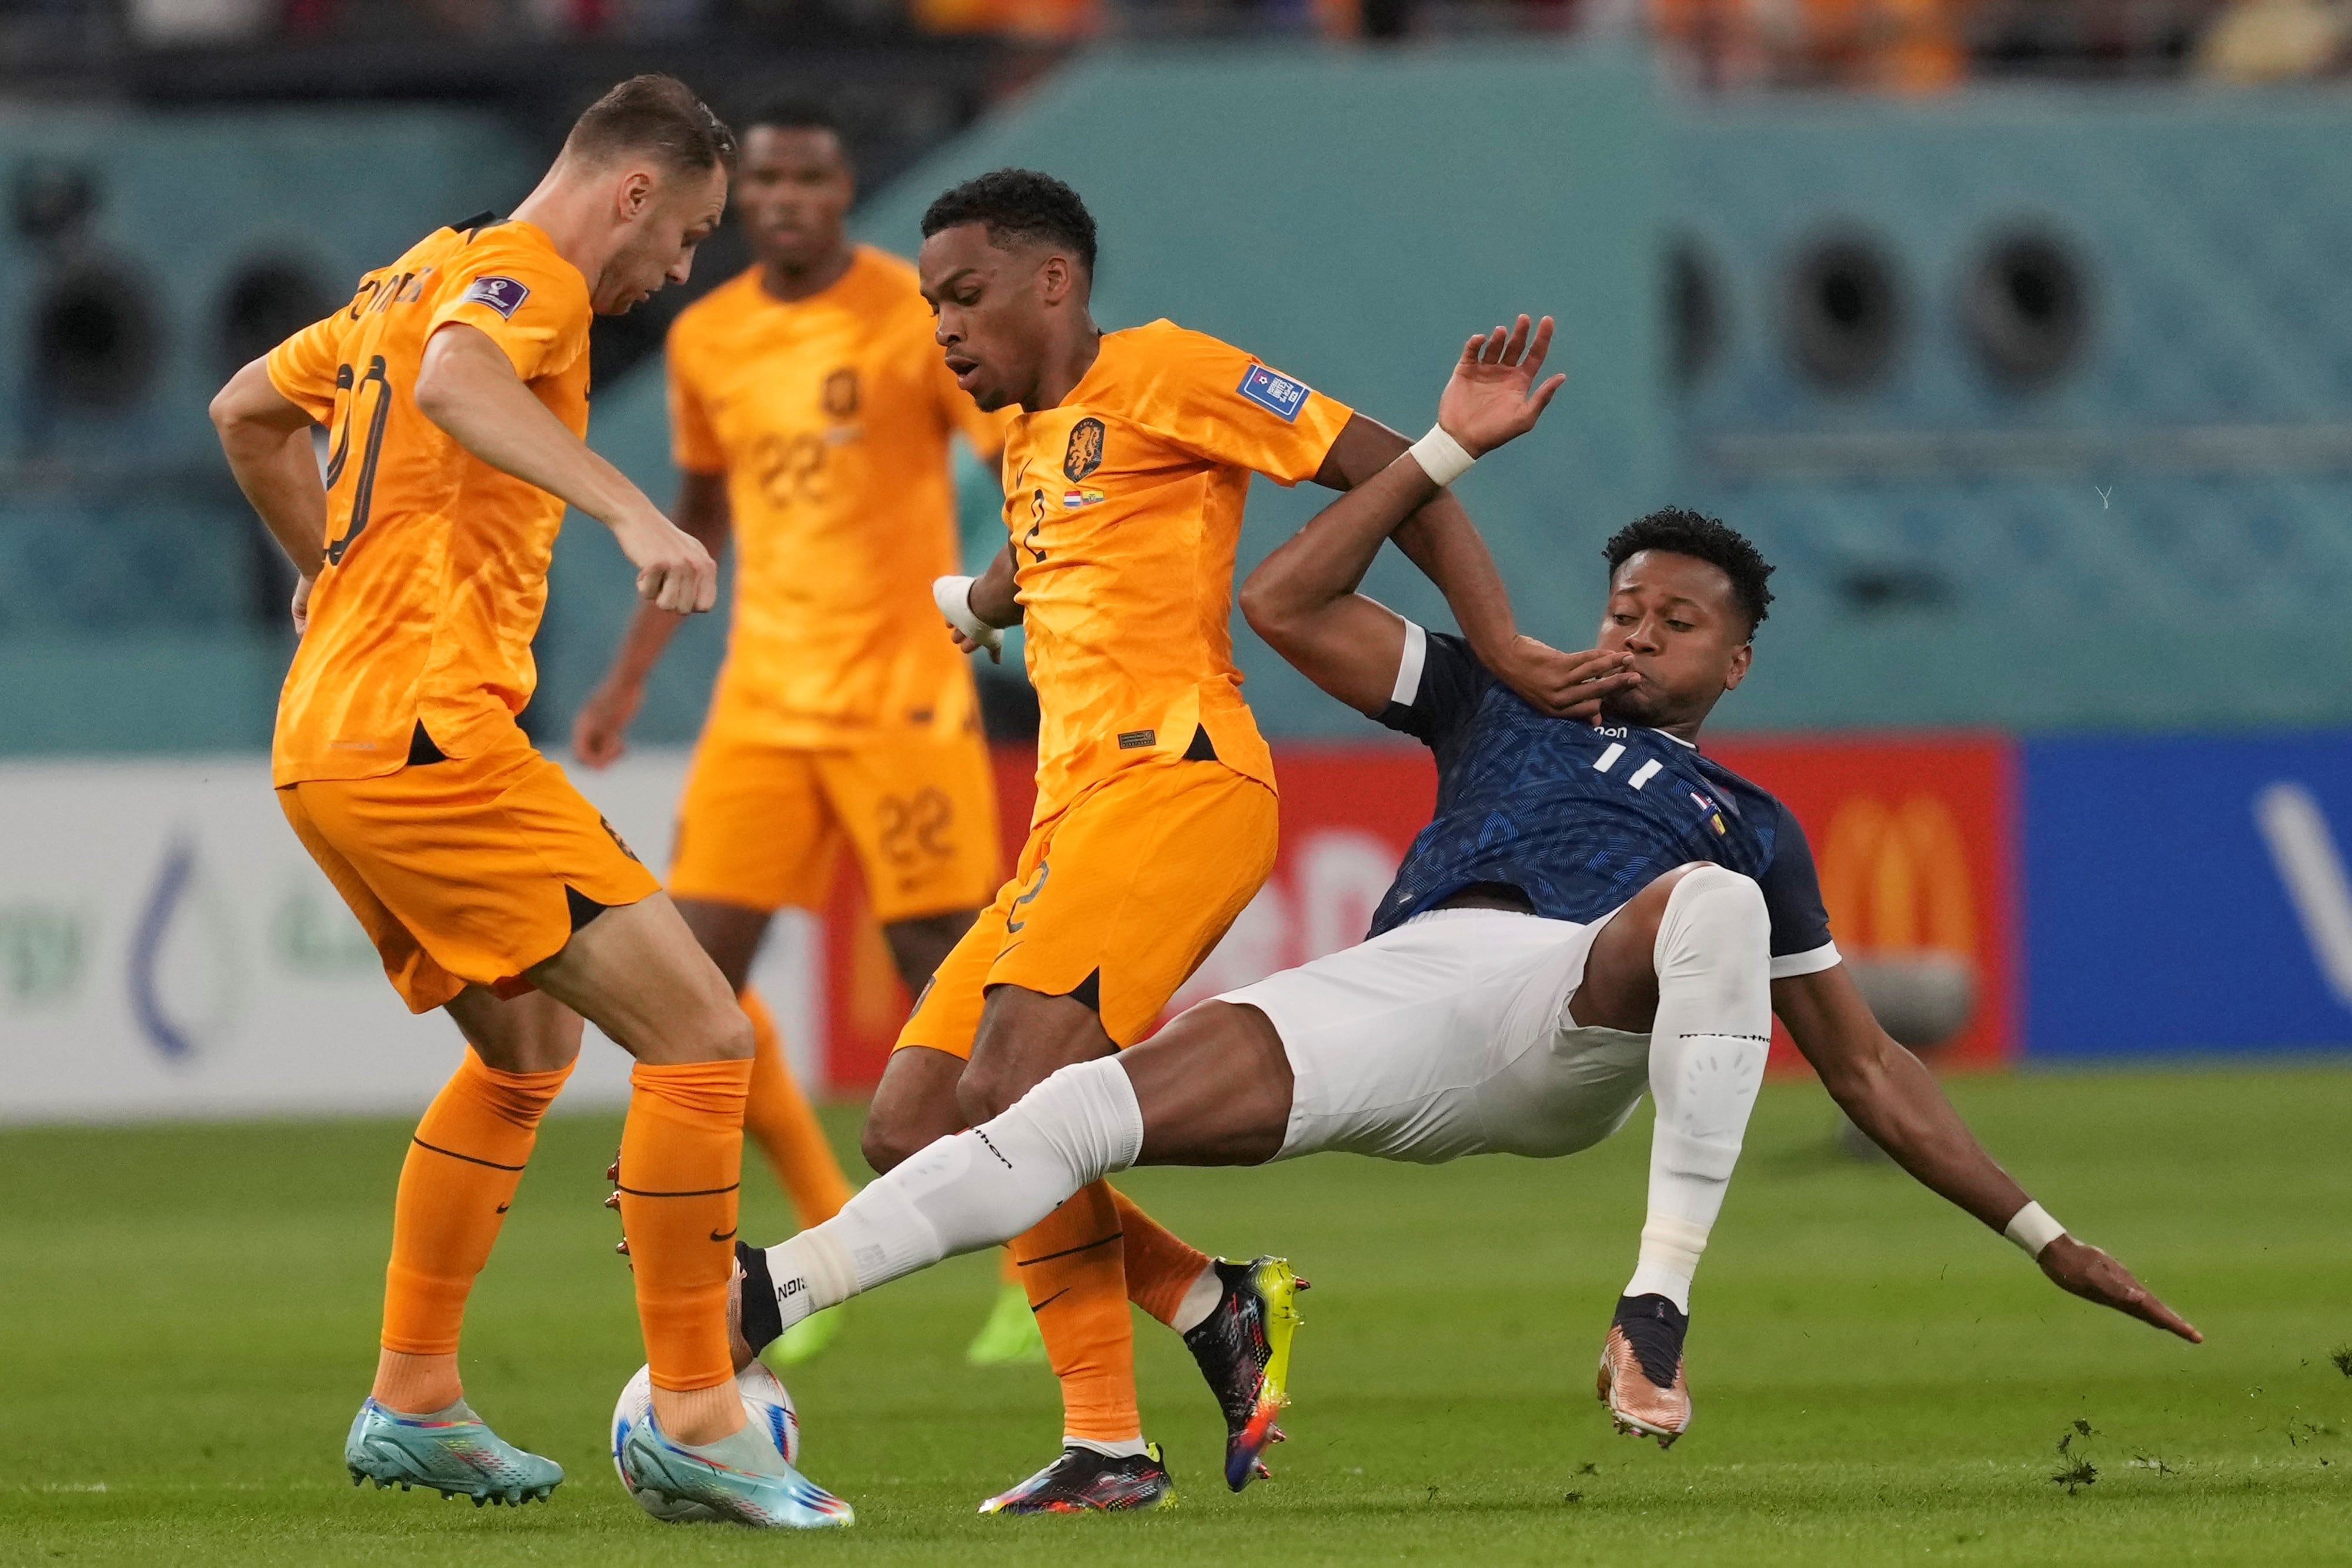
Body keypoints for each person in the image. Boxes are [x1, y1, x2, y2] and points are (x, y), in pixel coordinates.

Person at [721, 315, 2200, 1481]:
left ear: (1730, 667)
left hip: (1574, 1021)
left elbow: (1868, 1066)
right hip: (1412, 991)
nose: (1639, 631)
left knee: (1712, 907)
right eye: (1625, 603)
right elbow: (1284, 600)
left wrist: (2042, 1235)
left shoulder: (1743, 818)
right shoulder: (1506, 697)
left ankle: (1652, 1311)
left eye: (1678, 623)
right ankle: (759, 1301)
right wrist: (1441, 449)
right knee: (1062, 1112)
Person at [842, 171, 1602, 1514]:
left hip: (1176, 781)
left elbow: (1384, 463)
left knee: (1009, 1102)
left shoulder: (1169, 370)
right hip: (1067, 816)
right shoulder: (1030, 438)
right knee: (912, 1126)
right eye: (928, 306)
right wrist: (978, 598)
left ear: (1053, 284)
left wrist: (1495, 644)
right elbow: (1063, 556)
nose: (943, 329)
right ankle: (1211, 1302)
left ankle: (1109, 1445)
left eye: (964, 296)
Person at [209, 76, 848, 1529]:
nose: (675, 273)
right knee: (700, 1032)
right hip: (430, 737)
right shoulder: (524, 279)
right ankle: (698, 1407)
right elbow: (453, 384)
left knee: (527, 1050)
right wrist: (632, 508)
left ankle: (415, 1395)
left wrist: (324, 569)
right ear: (632, 193)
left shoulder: (407, 273)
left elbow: (247, 411)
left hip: (328, 736)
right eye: (685, 238)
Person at [568, 102, 1041, 1369]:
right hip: (762, 703)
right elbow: (698, 516)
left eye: (807, 176)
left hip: (898, 697)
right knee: (688, 983)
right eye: (763, 177)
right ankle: (812, 1231)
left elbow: (1011, 447)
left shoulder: (911, 309)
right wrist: (623, 682)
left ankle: (1034, 1262)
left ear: (841, 191)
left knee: (942, 978)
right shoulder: (709, 335)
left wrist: (1015, 579)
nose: (781, 196)